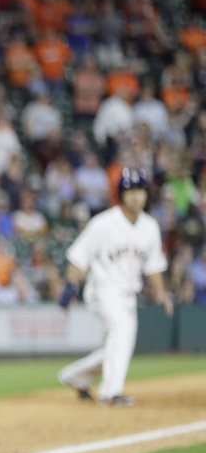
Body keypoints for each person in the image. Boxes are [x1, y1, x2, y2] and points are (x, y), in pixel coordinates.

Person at [57, 168, 173, 406]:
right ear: (121, 194)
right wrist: (70, 286)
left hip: (128, 293)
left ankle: (74, 376)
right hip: (102, 288)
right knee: (122, 330)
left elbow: (154, 266)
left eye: (139, 190)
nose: (135, 196)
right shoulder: (103, 223)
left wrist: (161, 293)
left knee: (119, 341)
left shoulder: (150, 227)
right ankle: (110, 393)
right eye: (130, 191)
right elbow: (78, 258)